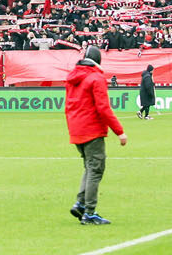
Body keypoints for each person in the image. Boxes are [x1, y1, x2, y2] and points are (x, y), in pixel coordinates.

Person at [66, 46, 127, 226]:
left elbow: (69, 106)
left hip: (77, 129)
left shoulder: (73, 77)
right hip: (92, 129)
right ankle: (89, 212)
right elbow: (103, 108)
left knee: (89, 167)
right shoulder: (96, 78)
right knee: (96, 169)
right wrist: (120, 131)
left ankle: (81, 203)